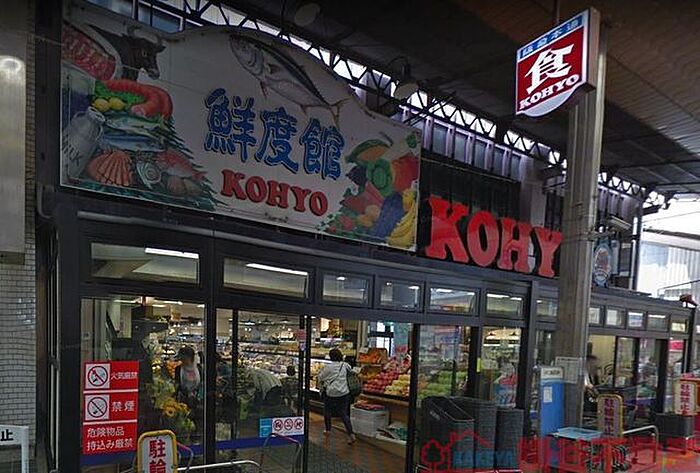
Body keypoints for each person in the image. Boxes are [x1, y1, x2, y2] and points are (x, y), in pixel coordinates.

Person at [317, 348, 356, 444]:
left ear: (330, 357)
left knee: (327, 411)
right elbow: (351, 373)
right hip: (344, 392)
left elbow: (321, 377)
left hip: (331, 393)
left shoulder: (328, 367)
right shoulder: (345, 365)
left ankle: (328, 430)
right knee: (344, 414)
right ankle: (351, 434)